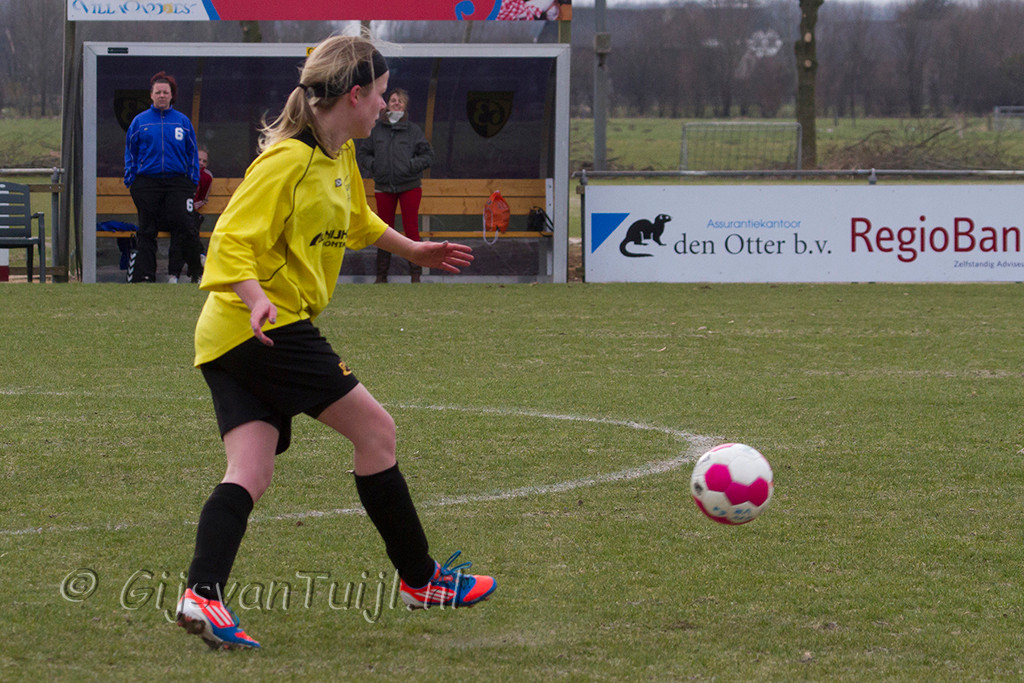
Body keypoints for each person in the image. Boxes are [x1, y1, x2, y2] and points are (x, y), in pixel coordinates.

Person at [174, 35, 494, 651]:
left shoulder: (338, 152)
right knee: (376, 432)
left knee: (250, 471)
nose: (385, 105)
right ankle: (422, 580)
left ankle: (201, 596)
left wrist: (413, 248)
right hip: (264, 328)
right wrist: (255, 296)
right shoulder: (285, 162)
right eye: (380, 95)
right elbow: (230, 241)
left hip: (231, 337)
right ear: (354, 94)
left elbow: (356, 220)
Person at [124, 71, 204, 283]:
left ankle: (195, 271)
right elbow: (130, 152)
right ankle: (146, 276)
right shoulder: (140, 122)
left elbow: (192, 153)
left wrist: (192, 181)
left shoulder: (182, 122)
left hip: (177, 182)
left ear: (171, 95)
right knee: (147, 229)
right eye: (158, 92)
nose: (161, 96)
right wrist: (131, 179)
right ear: (151, 95)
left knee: (185, 225)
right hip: (147, 182)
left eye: (165, 92)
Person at [357, 88, 434, 283]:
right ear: (387, 105)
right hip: (383, 187)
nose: (396, 103)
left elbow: (427, 155)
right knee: (384, 230)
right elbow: (363, 154)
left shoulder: (413, 131)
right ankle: (381, 276)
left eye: (400, 101)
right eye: (393, 100)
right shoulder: (376, 130)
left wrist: (411, 166)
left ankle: (415, 275)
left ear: (405, 106)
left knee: (411, 229)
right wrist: (376, 166)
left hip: (410, 186)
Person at [169, 145, 211, 284]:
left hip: (192, 214)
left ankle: (174, 274)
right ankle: (199, 257)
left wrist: (192, 206)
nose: (201, 163)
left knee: (184, 232)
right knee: (185, 231)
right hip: (177, 213)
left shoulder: (207, 177)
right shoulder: (182, 173)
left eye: (204, 161)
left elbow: (203, 199)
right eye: (198, 159)